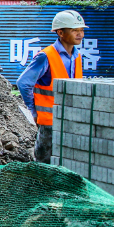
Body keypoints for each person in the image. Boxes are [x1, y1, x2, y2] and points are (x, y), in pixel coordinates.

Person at [17, 10, 87, 164]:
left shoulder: (77, 56)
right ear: (60, 33)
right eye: (75, 30)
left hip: (70, 120)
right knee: (45, 164)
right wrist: (34, 111)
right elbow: (23, 83)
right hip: (50, 123)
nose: (80, 34)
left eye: (81, 30)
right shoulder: (46, 56)